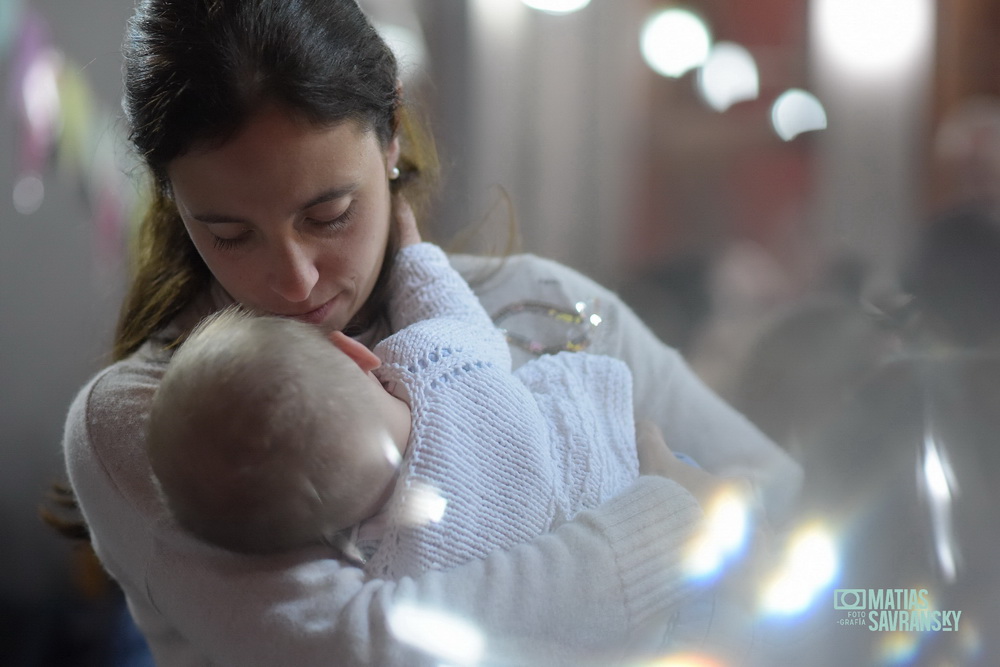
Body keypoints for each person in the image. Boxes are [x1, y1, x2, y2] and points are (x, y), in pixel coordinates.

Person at [61, 1, 802, 664]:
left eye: (328, 215)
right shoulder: (169, 416)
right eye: (228, 233)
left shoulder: (543, 301)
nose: (294, 282)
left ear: (390, 132)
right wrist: (670, 524)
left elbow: (781, 497)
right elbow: (364, 648)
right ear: (171, 197)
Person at [147, 237, 643, 580]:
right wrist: (412, 249)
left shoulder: (392, 567)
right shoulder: (434, 364)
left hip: (615, 553)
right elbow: (449, 307)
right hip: (610, 438)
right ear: (354, 351)